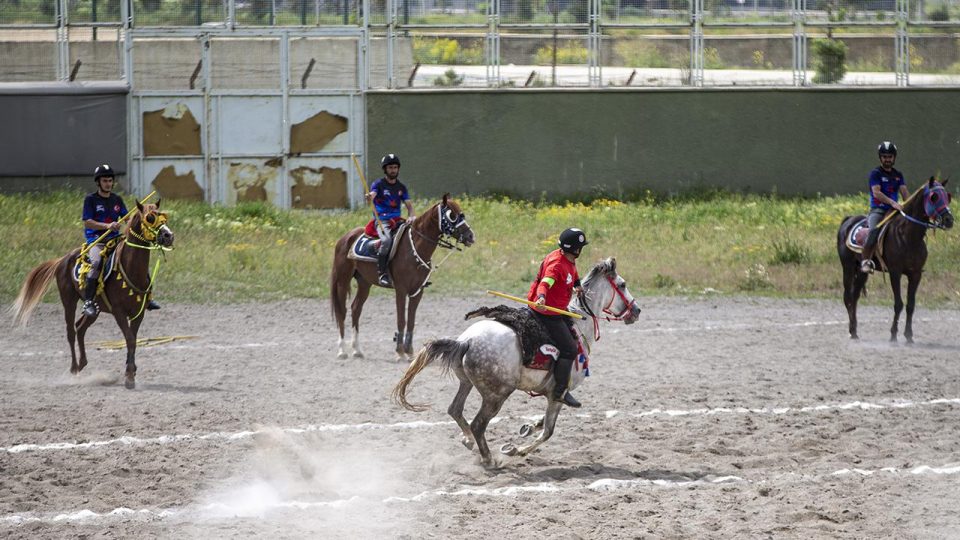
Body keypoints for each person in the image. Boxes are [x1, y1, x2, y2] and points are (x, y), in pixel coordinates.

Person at [81, 164, 160, 317]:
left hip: (116, 239)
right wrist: (107, 225)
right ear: (98, 182)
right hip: (97, 240)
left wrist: (140, 218)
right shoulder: (90, 200)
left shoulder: (117, 199)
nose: (108, 184)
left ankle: (148, 298)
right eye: (105, 181)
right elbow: (87, 222)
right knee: (96, 262)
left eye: (110, 181)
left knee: (138, 259)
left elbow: (127, 218)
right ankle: (89, 301)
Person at [528, 228, 588, 408]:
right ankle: (560, 391)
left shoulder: (567, 258)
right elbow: (546, 282)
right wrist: (541, 297)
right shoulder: (557, 265)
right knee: (570, 348)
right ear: (576, 250)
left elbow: (572, 273)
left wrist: (577, 285)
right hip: (548, 311)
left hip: (558, 308)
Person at [364, 153, 415, 287]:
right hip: (382, 220)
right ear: (385, 169)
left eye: (395, 167)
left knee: (414, 238)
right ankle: (382, 274)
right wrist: (370, 197)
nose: (393, 170)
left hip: (398, 220)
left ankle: (415, 273)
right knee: (386, 241)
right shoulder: (378, 184)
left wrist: (411, 216)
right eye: (390, 168)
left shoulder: (401, 187)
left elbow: (409, 206)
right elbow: (373, 194)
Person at [861, 141, 909, 273]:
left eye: (890, 156)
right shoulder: (875, 174)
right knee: (874, 231)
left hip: (894, 211)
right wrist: (893, 203)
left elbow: (905, 193)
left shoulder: (898, 175)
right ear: (880, 158)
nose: (887, 159)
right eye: (884, 157)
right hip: (878, 210)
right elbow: (876, 193)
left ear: (894, 157)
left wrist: (910, 207)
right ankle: (866, 260)